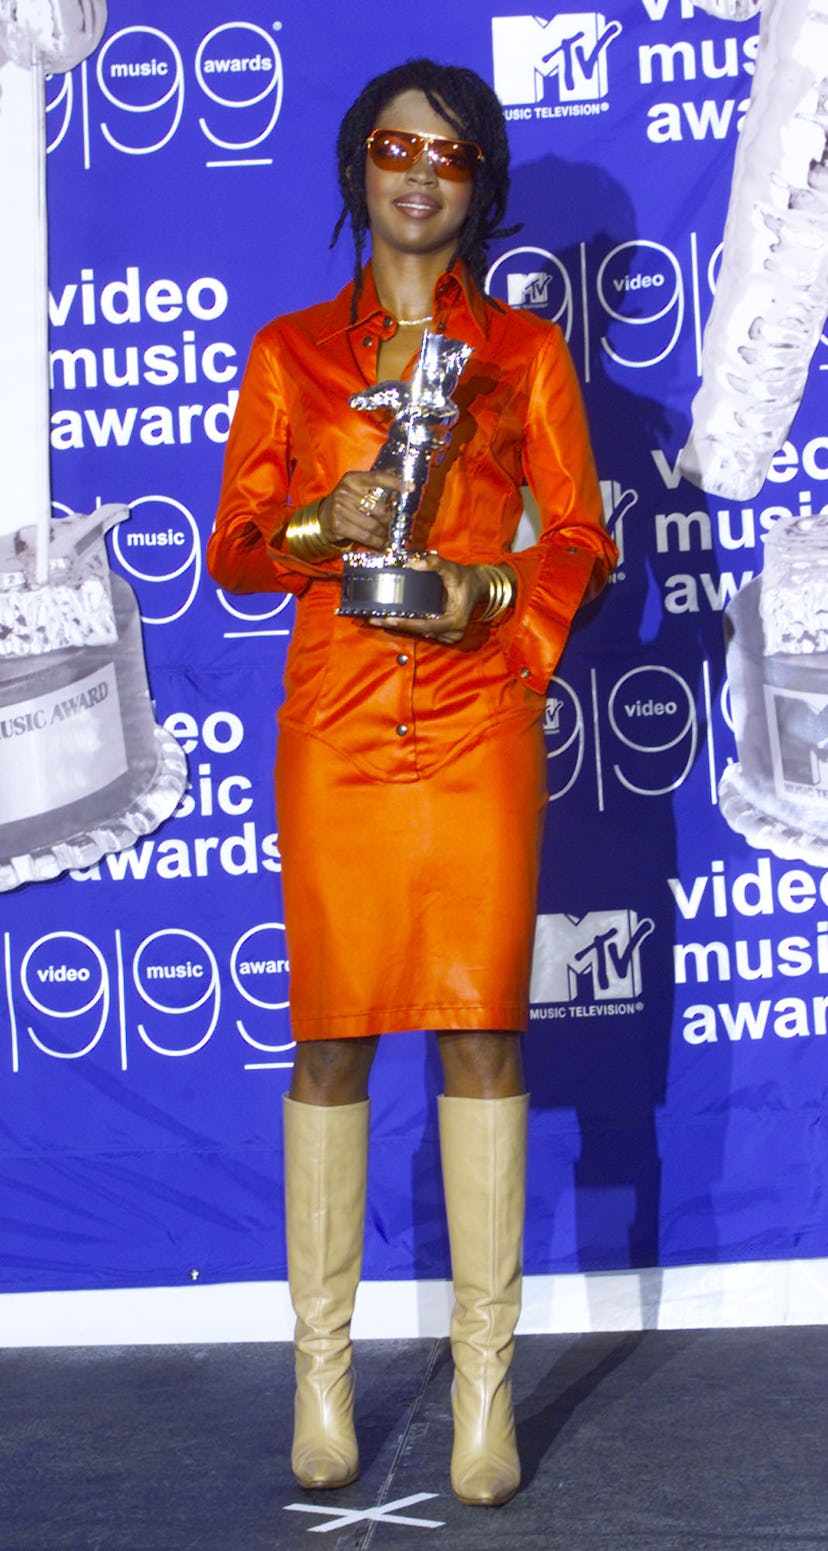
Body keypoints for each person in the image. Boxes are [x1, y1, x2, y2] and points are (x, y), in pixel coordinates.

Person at [207, 57, 617, 1508]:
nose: (419, 169)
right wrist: (326, 518)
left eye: (449, 152)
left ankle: (481, 1399)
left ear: (479, 184)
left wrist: (492, 592)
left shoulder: (522, 358)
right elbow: (237, 547)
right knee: (329, 1042)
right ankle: (321, 1383)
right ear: (356, 170)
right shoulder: (288, 355)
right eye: (394, 145)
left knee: (480, 1036)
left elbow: (580, 537)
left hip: (471, 722)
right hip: (333, 732)